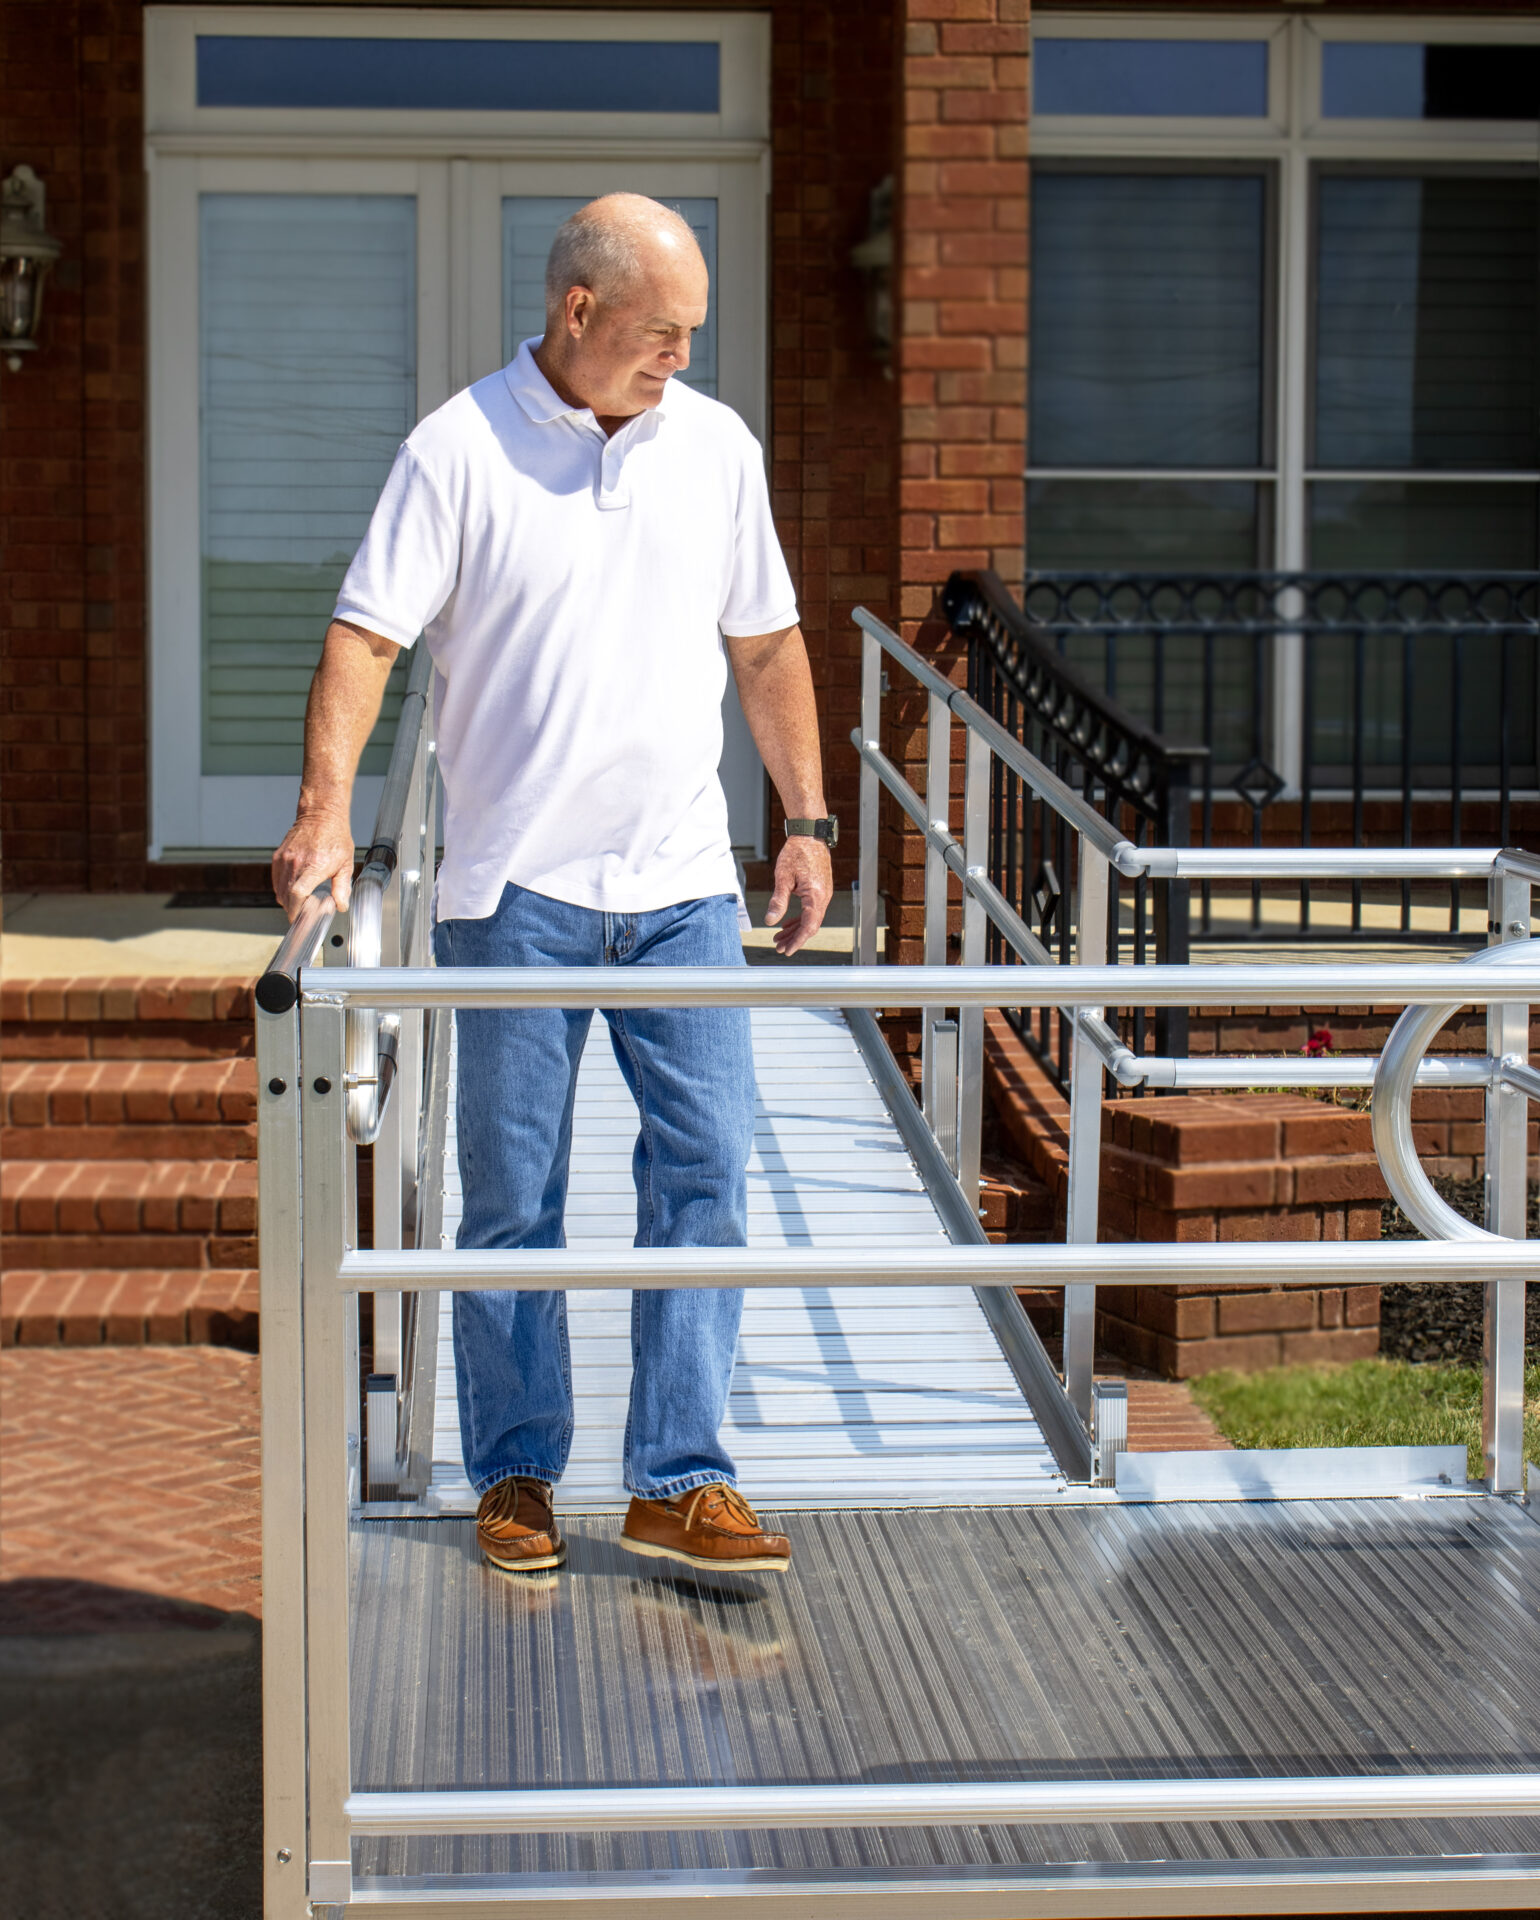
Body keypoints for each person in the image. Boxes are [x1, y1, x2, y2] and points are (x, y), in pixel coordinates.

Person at [272, 194, 834, 1577]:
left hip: (685, 883)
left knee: (704, 1175)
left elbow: (766, 645)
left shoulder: (715, 450)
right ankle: (517, 1471)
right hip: (515, 888)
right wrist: (324, 810)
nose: (680, 362)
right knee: (512, 1194)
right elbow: (365, 638)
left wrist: (808, 820)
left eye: (694, 336)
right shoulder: (455, 451)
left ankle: (680, 1477)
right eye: (660, 334)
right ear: (576, 312)